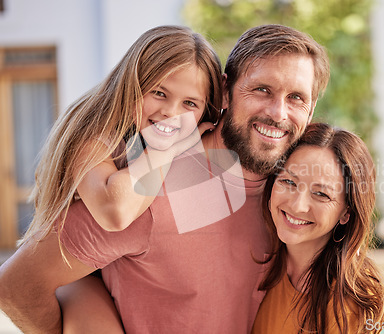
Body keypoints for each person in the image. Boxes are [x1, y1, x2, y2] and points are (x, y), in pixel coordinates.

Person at [0, 24, 330, 333]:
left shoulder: (292, 202)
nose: (278, 112)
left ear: (311, 111)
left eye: (297, 98)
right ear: (226, 92)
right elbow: (17, 286)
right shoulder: (150, 187)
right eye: (262, 89)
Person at [252, 123, 384, 333]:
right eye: (289, 181)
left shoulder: (351, 300)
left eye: (321, 194)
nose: (297, 205)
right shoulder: (259, 259)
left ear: (347, 213)